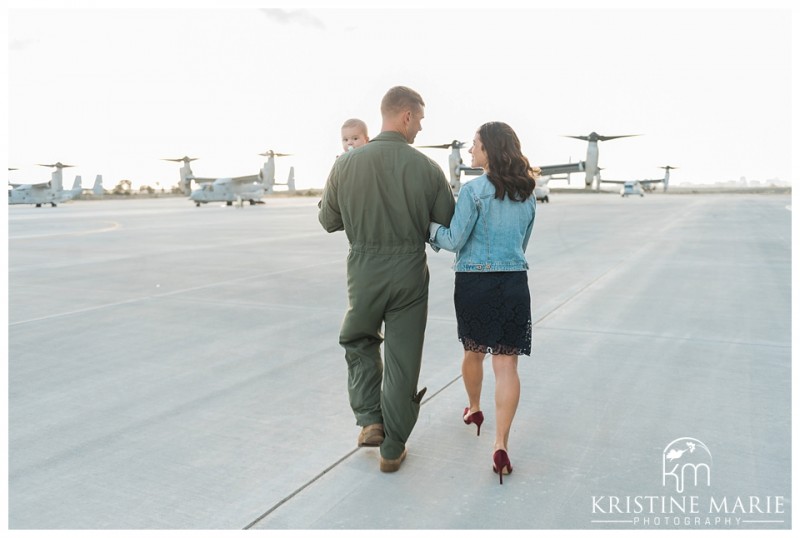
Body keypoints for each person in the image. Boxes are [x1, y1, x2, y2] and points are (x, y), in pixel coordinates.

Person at [318, 86, 455, 473]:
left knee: (359, 339)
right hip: (410, 271)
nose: (421, 130)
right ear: (407, 116)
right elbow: (446, 222)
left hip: (364, 269)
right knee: (402, 359)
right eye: (421, 121)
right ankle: (392, 448)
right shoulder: (427, 168)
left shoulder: (345, 165)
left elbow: (328, 221)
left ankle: (369, 420)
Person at [428, 121, 537, 485]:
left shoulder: (474, 191)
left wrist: (428, 230)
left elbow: (455, 239)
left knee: (473, 352)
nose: (471, 152)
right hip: (513, 282)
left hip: (474, 283)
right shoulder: (528, 193)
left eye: (475, 145)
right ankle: (501, 444)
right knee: (506, 366)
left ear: (489, 149)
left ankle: (474, 409)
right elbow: (522, 245)